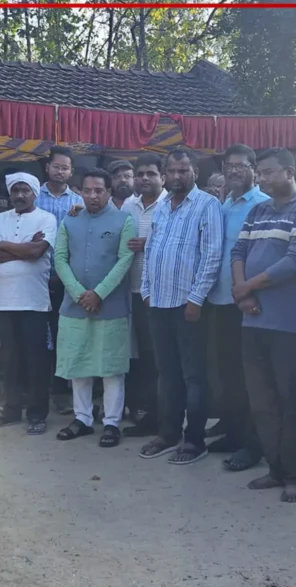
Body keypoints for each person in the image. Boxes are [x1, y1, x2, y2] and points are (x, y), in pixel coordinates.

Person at [140, 148, 223, 464]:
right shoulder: (161, 208)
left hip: (188, 306)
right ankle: (168, 433)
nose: (177, 176)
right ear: (165, 173)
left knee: (193, 375)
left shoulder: (207, 205)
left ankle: (194, 440)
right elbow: (151, 251)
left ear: (195, 173)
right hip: (158, 302)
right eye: (172, 171)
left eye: (183, 170)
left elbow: (212, 256)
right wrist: (147, 290)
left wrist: (196, 299)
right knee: (166, 372)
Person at [231, 147, 296, 503]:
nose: (263, 178)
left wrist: (248, 287)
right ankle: (274, 469)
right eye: (262, 172)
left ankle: (293, 474)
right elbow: (237, 252)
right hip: (253, 320)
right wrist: (242, 294)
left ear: (288, 172)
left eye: (269, 172)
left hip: (288, 325)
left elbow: (292, 263)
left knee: (290, 401)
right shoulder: (257, 211)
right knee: (262, 400)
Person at [55, 169, 136, 447]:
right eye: (87, 190)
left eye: (98, 190)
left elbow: (125, 260)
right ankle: (83, 419)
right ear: (80, 192)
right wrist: (79, 294)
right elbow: (60, 259)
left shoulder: (124, 220)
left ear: (109, 191)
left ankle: (112, 422)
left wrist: (99, 293)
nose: (92, 196)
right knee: (79, 364)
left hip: (111, 306)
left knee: (112, 367)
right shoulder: (70, 220)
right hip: (74, 306)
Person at [207, 144, 268, 471]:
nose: (234, 171)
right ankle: (233, 433)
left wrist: (248, 292)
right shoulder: (225, 203)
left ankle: (253, 444)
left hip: (248, 303)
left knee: (251, 379)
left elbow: (256, 256)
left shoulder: (261, 204)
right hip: (219, 300)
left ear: (253, 169)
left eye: (241, 165)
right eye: (229, 165)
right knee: (228, 374)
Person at [0, 172, 57, 435]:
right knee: (10, 359)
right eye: (15, 191)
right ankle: (12, 410)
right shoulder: (0, 218)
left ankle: (37, 414)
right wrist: (20, 248)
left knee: (36, 360)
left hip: (34, 303)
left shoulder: (47, 219)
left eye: (25, 190)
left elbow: (37, 253)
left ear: (35, 193)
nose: (20, 195)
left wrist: (3, 245)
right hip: (3, 302)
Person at [122, 154, 168, 437]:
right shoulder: (129, 205)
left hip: (162, 293)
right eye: (140, 174)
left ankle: (160, 416)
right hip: (133, 291)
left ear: (162, 176)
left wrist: (148, 244)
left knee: (160, 357)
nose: (145, 179)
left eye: (151, 173)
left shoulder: (171, 205)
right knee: (139, 356)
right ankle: (144, 411)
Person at [35, 146, 83, 415]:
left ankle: (62, 391)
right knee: (38, 338)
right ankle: (38, 392)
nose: (61, 171)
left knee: (64, 336)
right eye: (57, 166)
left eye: (66, 168)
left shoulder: (78, 201)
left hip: (66, 280)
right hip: (35, 278)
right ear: (47, 167)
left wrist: (62, 275)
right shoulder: (33, 196)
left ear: (71, 172)